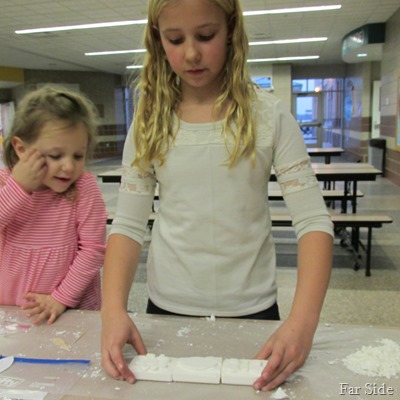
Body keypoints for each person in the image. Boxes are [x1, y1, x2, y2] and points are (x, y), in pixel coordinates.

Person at [101, 0, 333, 392]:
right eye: (176, 39)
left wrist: (302, 323)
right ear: (158, 41)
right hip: (168, 308)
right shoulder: (149, 121)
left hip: (253, 310)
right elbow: (127, 224)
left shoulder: (269, 116)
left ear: (231, 32)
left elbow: (313, 223)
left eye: (206, 36)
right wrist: (112, 311)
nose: (191, 52)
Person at [0, 85, 108, 325]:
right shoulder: (5, 183)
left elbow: (93, 251)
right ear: (21, 149)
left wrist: (61, 299)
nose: (68, 167)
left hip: (72, 309)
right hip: (13, 309)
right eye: (56, 156)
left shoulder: (83, 187)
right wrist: (19, 187)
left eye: (78, 156)